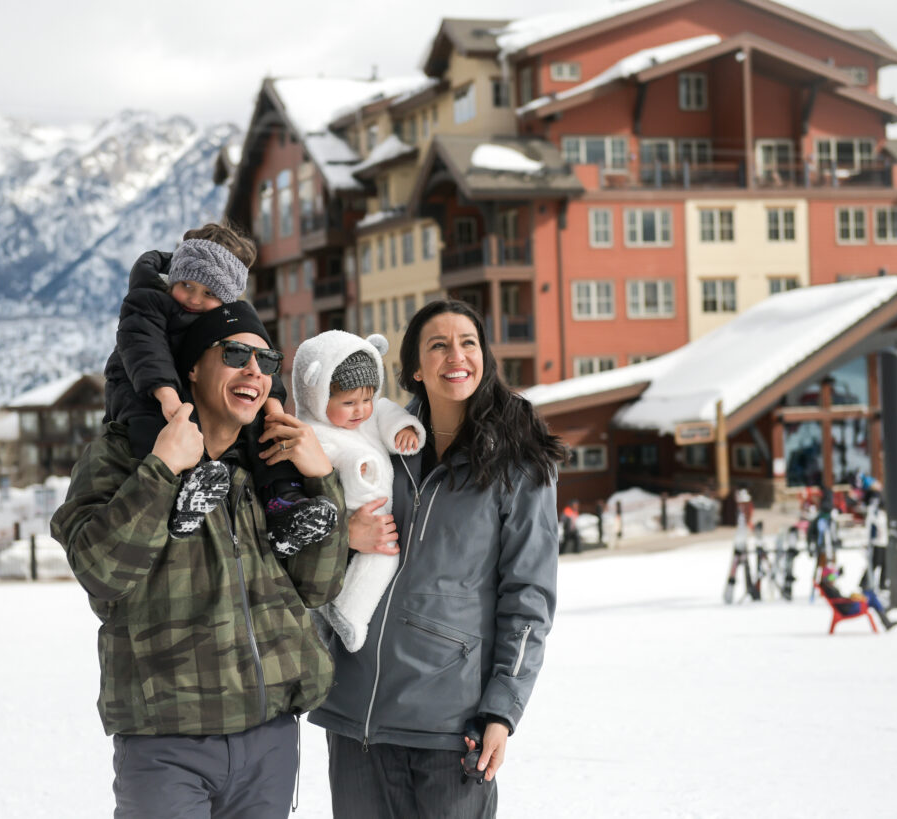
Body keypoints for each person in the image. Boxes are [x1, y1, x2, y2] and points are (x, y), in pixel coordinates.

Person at [51, 301, 349, 818]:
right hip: (168, 744)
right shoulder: (123, 456)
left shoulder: (268, 467)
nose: (254, 372)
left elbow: (319, 586)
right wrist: (163, 468)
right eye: (235, 354)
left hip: (268, 743)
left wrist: (322, 479)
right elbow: (100, 572)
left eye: (266, 360)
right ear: (192, 366)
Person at [309, 299, 564, 818]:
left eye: (468, 342)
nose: (457, 355)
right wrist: (341, 535)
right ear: (414, 369)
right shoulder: (374, 444)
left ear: (484, 358)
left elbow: (529, 598)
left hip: (452, 730)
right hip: (356, 716)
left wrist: (502, 710)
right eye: (439, 345)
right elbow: (302, 538)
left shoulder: (518, 463)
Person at [102, 222, 335, 551]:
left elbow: (260, 360)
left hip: (186, 386)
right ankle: (185, 490)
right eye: (186, 285)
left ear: (227, 299)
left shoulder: (232, 320)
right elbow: (145, 348)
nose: (194, 300)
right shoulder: (150, 299)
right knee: (154, 425)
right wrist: (167, 396)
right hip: (139, 382)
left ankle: (284, 501)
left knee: (262, 434)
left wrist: (272, 410)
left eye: (210, 293)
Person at [291, 329, 425, 652]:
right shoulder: (313, 431)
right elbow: (329, 458)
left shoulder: (370, 414)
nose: (360, 411)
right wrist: (357, 466)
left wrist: (402, 430)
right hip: (349, 516)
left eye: (366, 398)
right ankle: (345, 614)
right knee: (375, 561)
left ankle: (346, 611)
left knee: (382, 561)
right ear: (318, 397)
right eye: (348, 403)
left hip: (376, 517)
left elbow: (387, 412)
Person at [818, 563, 897, 630]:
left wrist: (838, 573)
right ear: (826, 578)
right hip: (849, 608)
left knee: (870, 595)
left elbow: (838, 595)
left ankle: (884, 615)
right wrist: (852, 599)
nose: (834, 579)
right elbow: (840, 600)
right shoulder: (829, 589)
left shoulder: (827, 586)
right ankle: (884, 614)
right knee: (870, 595)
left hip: (848, 605)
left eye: (834, 576)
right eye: (832, 577)